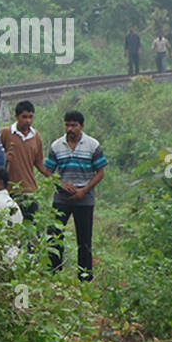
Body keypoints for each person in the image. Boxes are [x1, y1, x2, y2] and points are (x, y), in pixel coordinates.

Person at [40, 111, 107, 281]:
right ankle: (53, 272)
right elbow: (48, 170)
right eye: (67, 125)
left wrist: (84, 190)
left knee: (84, 240)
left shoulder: (92, 145)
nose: (70, 128)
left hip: (85, 199)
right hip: (62, 198)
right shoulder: (57, 145)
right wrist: (61, 184)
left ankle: (84, 276)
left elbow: (100, 172)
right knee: (54, 235)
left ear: (82, 126)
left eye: (74, 125)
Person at [0, 100, 47, 220]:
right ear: (17, 117)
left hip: (29, 190)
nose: (28, 121)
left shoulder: (36, 136)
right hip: (10, 190)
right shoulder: (6, 133)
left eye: (31, 117)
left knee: (30, 224)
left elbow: (39, 163)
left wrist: (55, 179)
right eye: (24, 117)